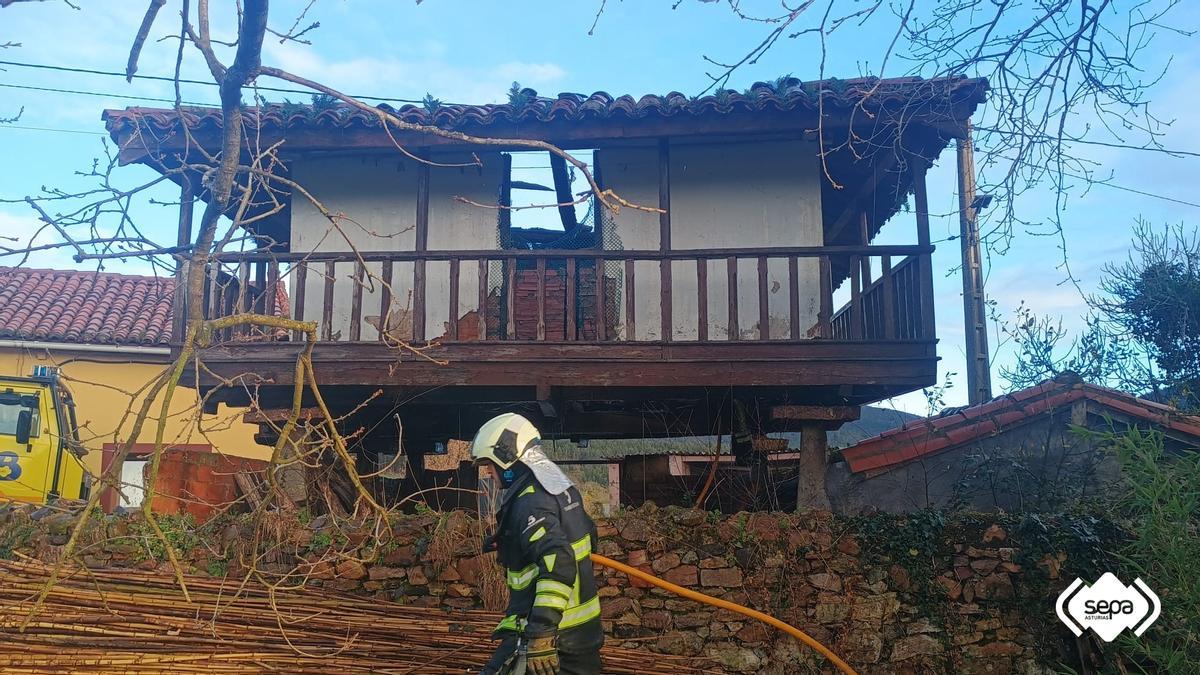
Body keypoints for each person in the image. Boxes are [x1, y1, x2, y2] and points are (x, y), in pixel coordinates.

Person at [471, 413, 603, 675]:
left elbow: (559, 561)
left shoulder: (530, 500)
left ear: (508, 457)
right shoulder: (561, 487)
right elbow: (587, 536)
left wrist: (541, 632)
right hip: (582, 635)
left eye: (489, 464)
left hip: (550, 639)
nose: (488, 471)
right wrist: (514, 543)